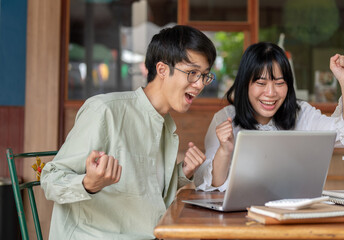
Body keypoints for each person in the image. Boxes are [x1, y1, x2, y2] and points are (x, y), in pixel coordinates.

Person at [41, 25, 216, 239]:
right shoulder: (105, 110)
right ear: (162, 70)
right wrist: (88, 183)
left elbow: (147, 195)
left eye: (205, 76)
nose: (199, 85)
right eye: (192, 73)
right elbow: (51, 179)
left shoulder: (165, 124)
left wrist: (182, 172)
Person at [194, 42, 344, 192]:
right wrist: (225, 150)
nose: (270, 93)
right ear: (245, 85)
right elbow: (214, 185)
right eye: (261, 83)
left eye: (279, 83)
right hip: (240, 220)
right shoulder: (224, 118)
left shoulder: (302, 114)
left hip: (296, 218)